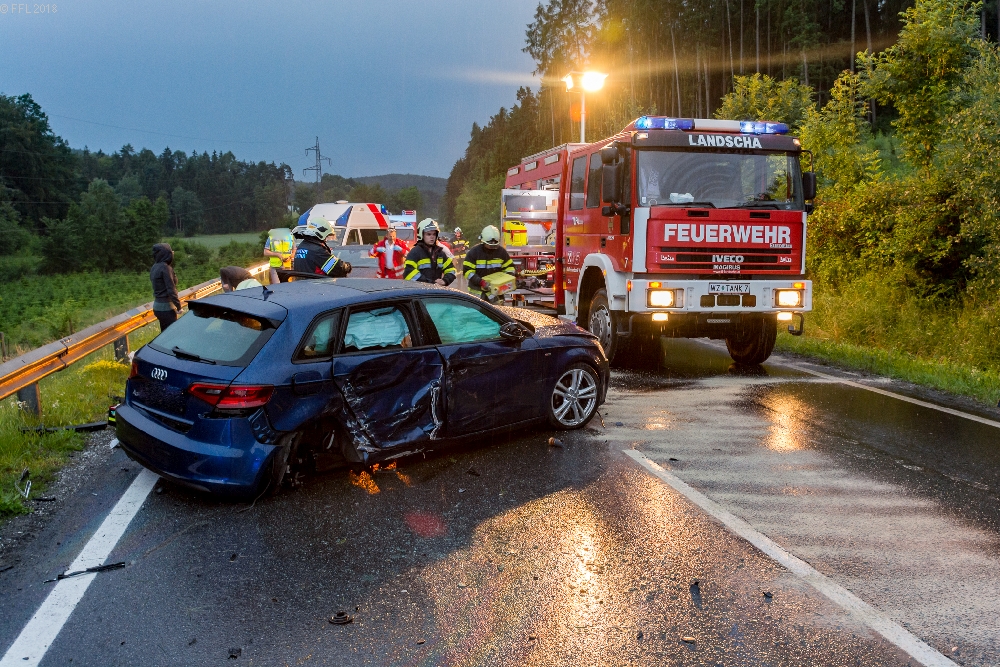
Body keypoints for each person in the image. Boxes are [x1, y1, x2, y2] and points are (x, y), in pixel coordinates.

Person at [463, 225, 514, 300]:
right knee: (477, 312)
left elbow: (509, 268)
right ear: (483, 241)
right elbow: (467, 272)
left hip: (496, 293)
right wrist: (480, 282)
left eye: (495, 245)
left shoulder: (501, 252)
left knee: (497, 311)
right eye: (490, 245)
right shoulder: (474, 253)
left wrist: (508, 279)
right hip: (477, 294)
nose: (492, 248)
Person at [403, 219, 456, 286]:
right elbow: (409, 273)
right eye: (428, 234)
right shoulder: (415, 252)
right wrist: (430, 283)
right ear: (421, 235)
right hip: (419, 293)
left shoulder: (440, 253)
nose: (432, 237)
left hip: (435, 292)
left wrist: (445, 281)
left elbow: (451, 269)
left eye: (434, 234)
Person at [150, 243, 182, 331]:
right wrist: (179, 306)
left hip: (157, 307)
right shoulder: (166, 268)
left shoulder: (154, 267)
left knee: (164, 334)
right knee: (172, 334)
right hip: (167, 307)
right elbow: (171, 289)